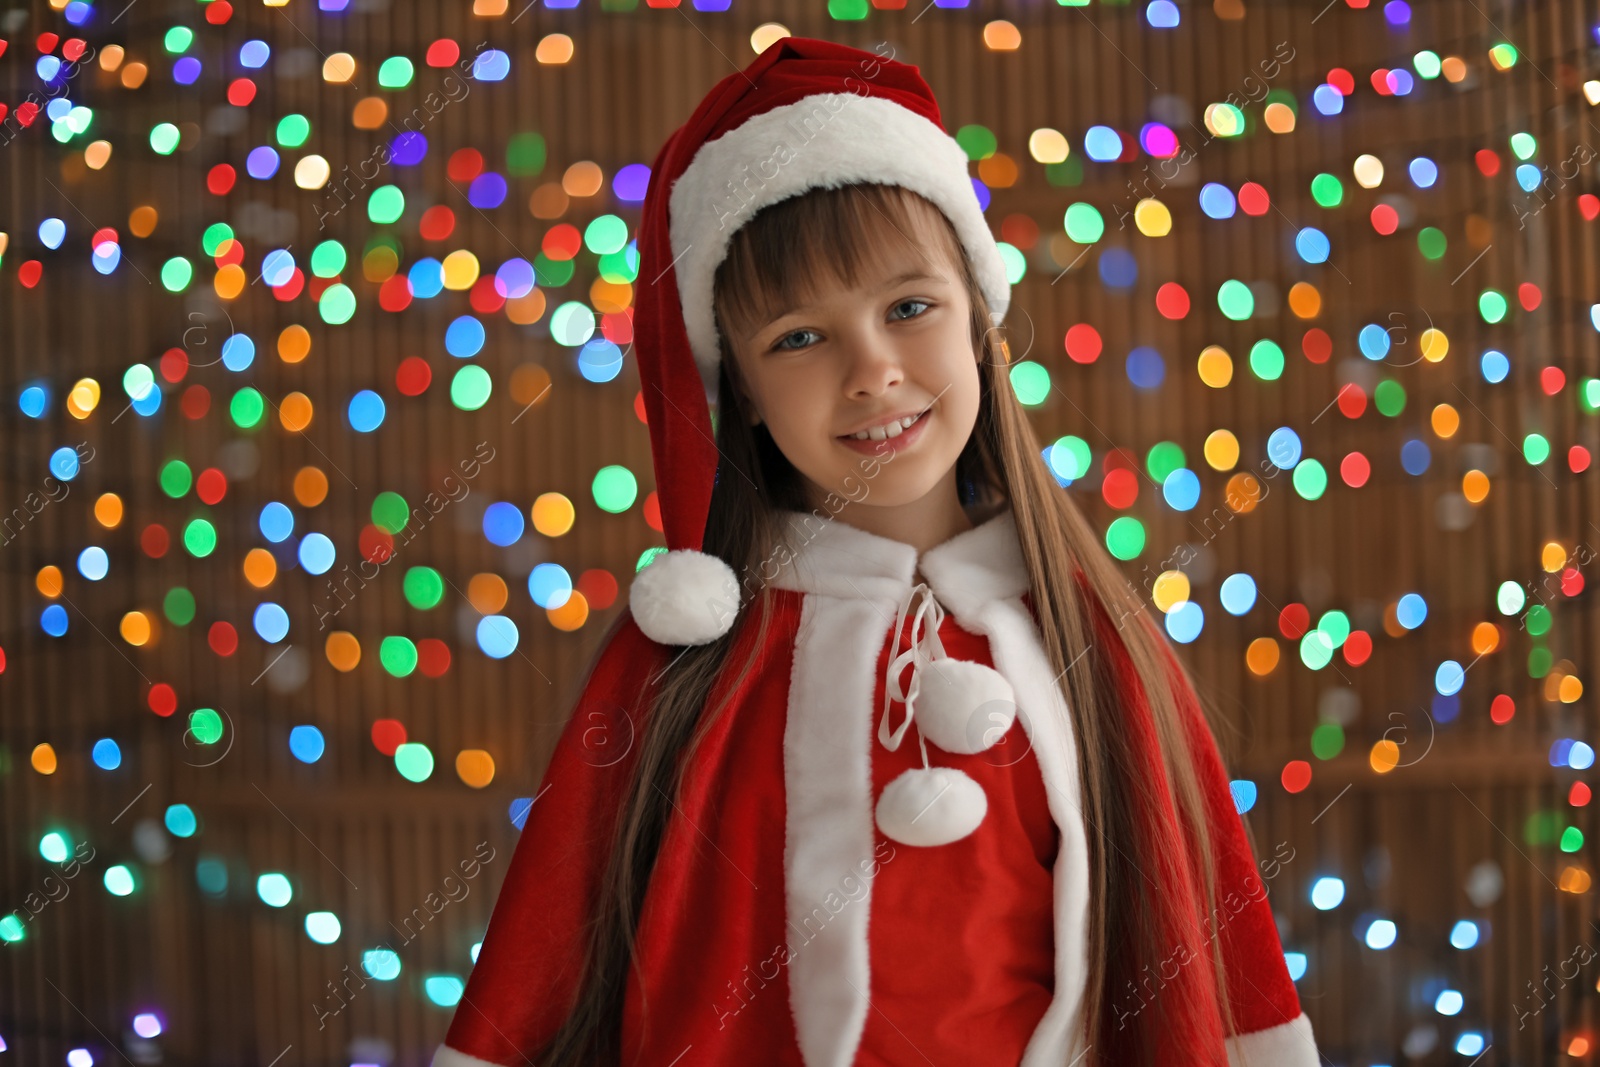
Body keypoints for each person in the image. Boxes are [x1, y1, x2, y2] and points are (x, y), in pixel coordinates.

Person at [431, 35, 1319, 1067]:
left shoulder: (1094, 643)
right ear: (745, 396)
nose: (872, 371)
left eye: (909, 307)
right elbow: (538, 961)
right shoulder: (681, 661)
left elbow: (1220, 952)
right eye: (798, 337)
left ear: (981, 321)